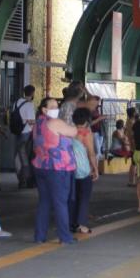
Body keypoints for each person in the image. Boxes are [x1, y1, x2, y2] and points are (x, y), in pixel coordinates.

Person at [31, 99, 78, 244]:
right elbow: (74, 131)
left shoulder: (37, 124)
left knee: (44, 202)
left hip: (41, 166)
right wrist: (68, 120)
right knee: (60, 203)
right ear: (44, 110)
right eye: (52, 107)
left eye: (57, 107)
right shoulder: (55, 122)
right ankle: (65, 237)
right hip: (57, 168)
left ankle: (40, 236)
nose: (56, 109)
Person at [69, 106, 99, 235]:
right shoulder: (86, 132)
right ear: (87, 120)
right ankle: (82, 225)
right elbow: (91, 153)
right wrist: (96, 169)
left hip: (69, 168)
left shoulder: (69, 131)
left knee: (72, 197)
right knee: (84, 196)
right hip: (83, 169)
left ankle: (72, 223)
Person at [10, 85, 37, 189]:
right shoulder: (29, 105)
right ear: (33, 93)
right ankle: (24, 180)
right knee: (25, 156)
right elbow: (31, 121)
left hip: (17, 132)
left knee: (18, 155)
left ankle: (20, 178)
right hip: (26, 133)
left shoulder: (16, 102)